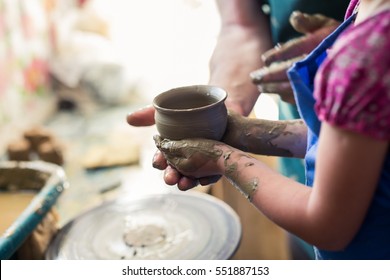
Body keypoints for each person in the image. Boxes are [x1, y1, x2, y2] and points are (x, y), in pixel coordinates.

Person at [153, 0, 390, 259]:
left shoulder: (366, 54)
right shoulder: (366, 14)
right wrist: (247, 132)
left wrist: (223, 159)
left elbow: (329, 226)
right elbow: (361, 143)